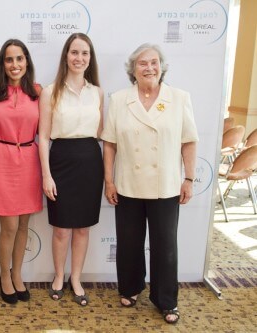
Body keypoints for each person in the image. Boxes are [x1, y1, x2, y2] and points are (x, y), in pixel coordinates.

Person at [101, 43, 198, 324]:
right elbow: (109, 144)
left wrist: (189, 178)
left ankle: (166, 300)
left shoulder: (179, 98)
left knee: (165, 245)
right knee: (129, 243)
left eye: (154, 62)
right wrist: (109, 180)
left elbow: (188, 141)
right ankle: (130, 288)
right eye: (142, 63)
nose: (149, 68)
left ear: (162, 67)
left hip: (165, 185)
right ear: (133, 69)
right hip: (127, 183)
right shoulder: (120, 99)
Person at [38, 33, 104, 306]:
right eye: (74, 52)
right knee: (61, 229)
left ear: (90, 58)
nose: (79, 58)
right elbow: (43, 137)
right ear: (66, 56)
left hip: (90, 159)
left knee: (82, 229)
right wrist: (46, 175)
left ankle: (76, 278)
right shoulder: (50, 91)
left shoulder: (97, 92)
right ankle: (58, 276)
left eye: (84, 53)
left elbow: (101, 133)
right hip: (60, 159)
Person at [0, 39, 42, 304]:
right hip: (1, 159)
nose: (15, 64)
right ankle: (4, 275)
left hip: (29, 159)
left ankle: (17, 274)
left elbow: (46, 133)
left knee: (24, 226)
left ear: (26, 61)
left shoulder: (39, 92)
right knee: (9, 226)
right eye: (9, 59)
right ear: (2, 64)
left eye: (19, 58)